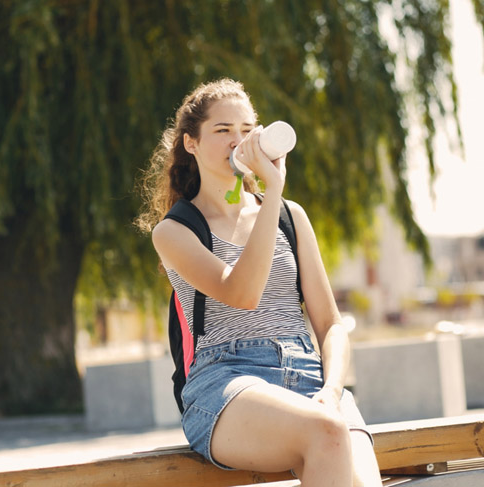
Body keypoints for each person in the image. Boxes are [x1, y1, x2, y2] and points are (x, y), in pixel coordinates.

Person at [136, 78, 383, 487]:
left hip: (313, 382)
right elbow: (242, 293)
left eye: (248, 131)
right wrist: (272, 193)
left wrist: (333, 391)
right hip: (226, 381)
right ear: (190, 144)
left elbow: (331, 325)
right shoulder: (175, 230)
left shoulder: (291, 217)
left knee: (346, 455)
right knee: (327, 431)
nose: (239, 142)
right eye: (223, 131)